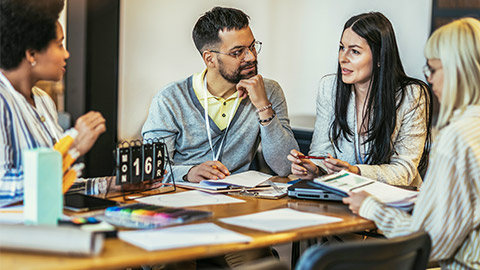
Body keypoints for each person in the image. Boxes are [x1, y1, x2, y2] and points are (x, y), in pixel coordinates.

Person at [344, 17, 480, 269]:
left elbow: (430, 242)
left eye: (434, 69)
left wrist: (371, 208)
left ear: (458, 70)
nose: (430, 80)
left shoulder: (458, 138)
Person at [142, 7, 298, 183]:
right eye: (238, 52)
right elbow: (151, 169)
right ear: (210, 59)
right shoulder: (170, 100)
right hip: (183, 197)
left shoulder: (268, 91)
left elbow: (286, 167)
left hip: (239, 198)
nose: (251, 57)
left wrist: (264, 107)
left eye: (252, 46)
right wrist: (188, 173)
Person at [288, 12, 432, 188]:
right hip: (344, 195)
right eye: (342, 48)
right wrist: (315, 169)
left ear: (379, 57)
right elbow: (321, 152)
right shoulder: (329, 88)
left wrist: (356, 172)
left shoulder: (412, 95)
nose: (343, 58)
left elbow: (405, 171)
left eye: (354, 51)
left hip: (395, 200)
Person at [0, 0, 106, 206]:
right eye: (59, 45)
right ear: (31, 54)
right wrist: (73, 147)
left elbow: (54, 183)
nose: (66, 54)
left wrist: (109, 185)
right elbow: (3, 188)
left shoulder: (42, 100)